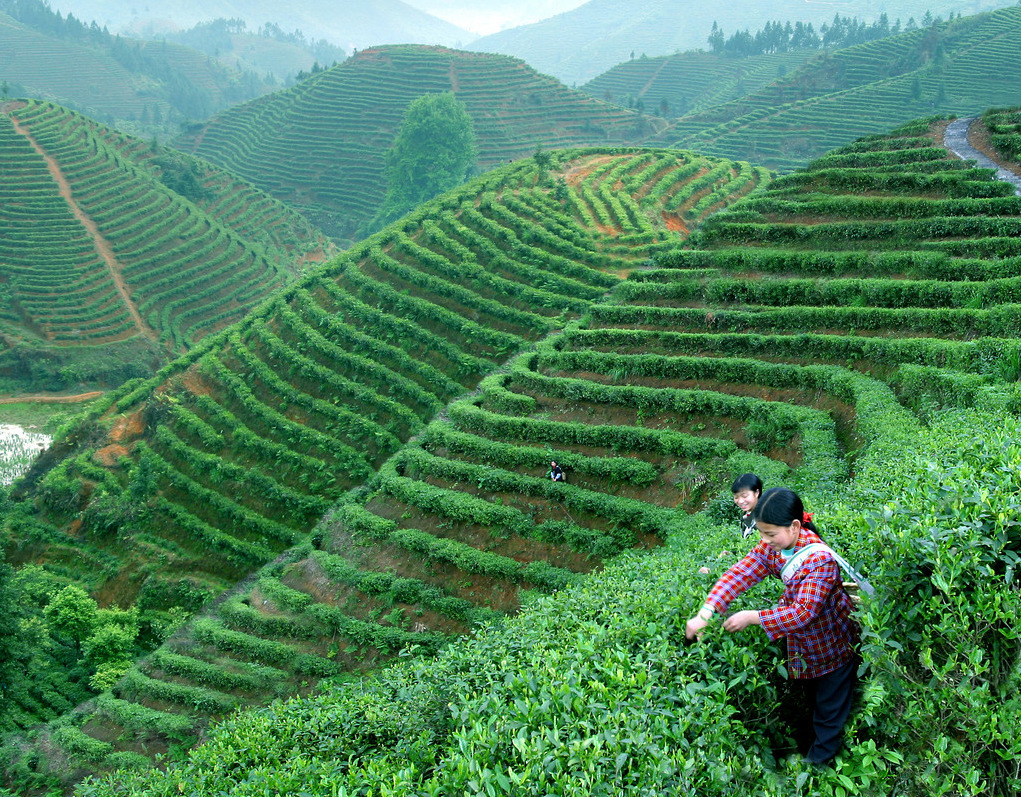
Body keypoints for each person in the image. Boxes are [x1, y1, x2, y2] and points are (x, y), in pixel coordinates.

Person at [685, 487, 859, 766]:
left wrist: (753, 616)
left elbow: (803, 613)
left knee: (829, 713)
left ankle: (815, 774)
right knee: (815, 705)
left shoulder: (819, 560)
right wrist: (707, 611)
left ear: (794, 526)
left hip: (833, 646)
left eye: (770, 534)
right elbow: (740, 573)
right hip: (804, 648)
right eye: (761, 534)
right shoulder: (775, 545)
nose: (765, 541)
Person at [731, 473, 763, 539]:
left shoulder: (764, 517)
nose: (740, 501)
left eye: (744, 496)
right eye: (736, 497)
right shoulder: (748, 513)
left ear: (757, 493)